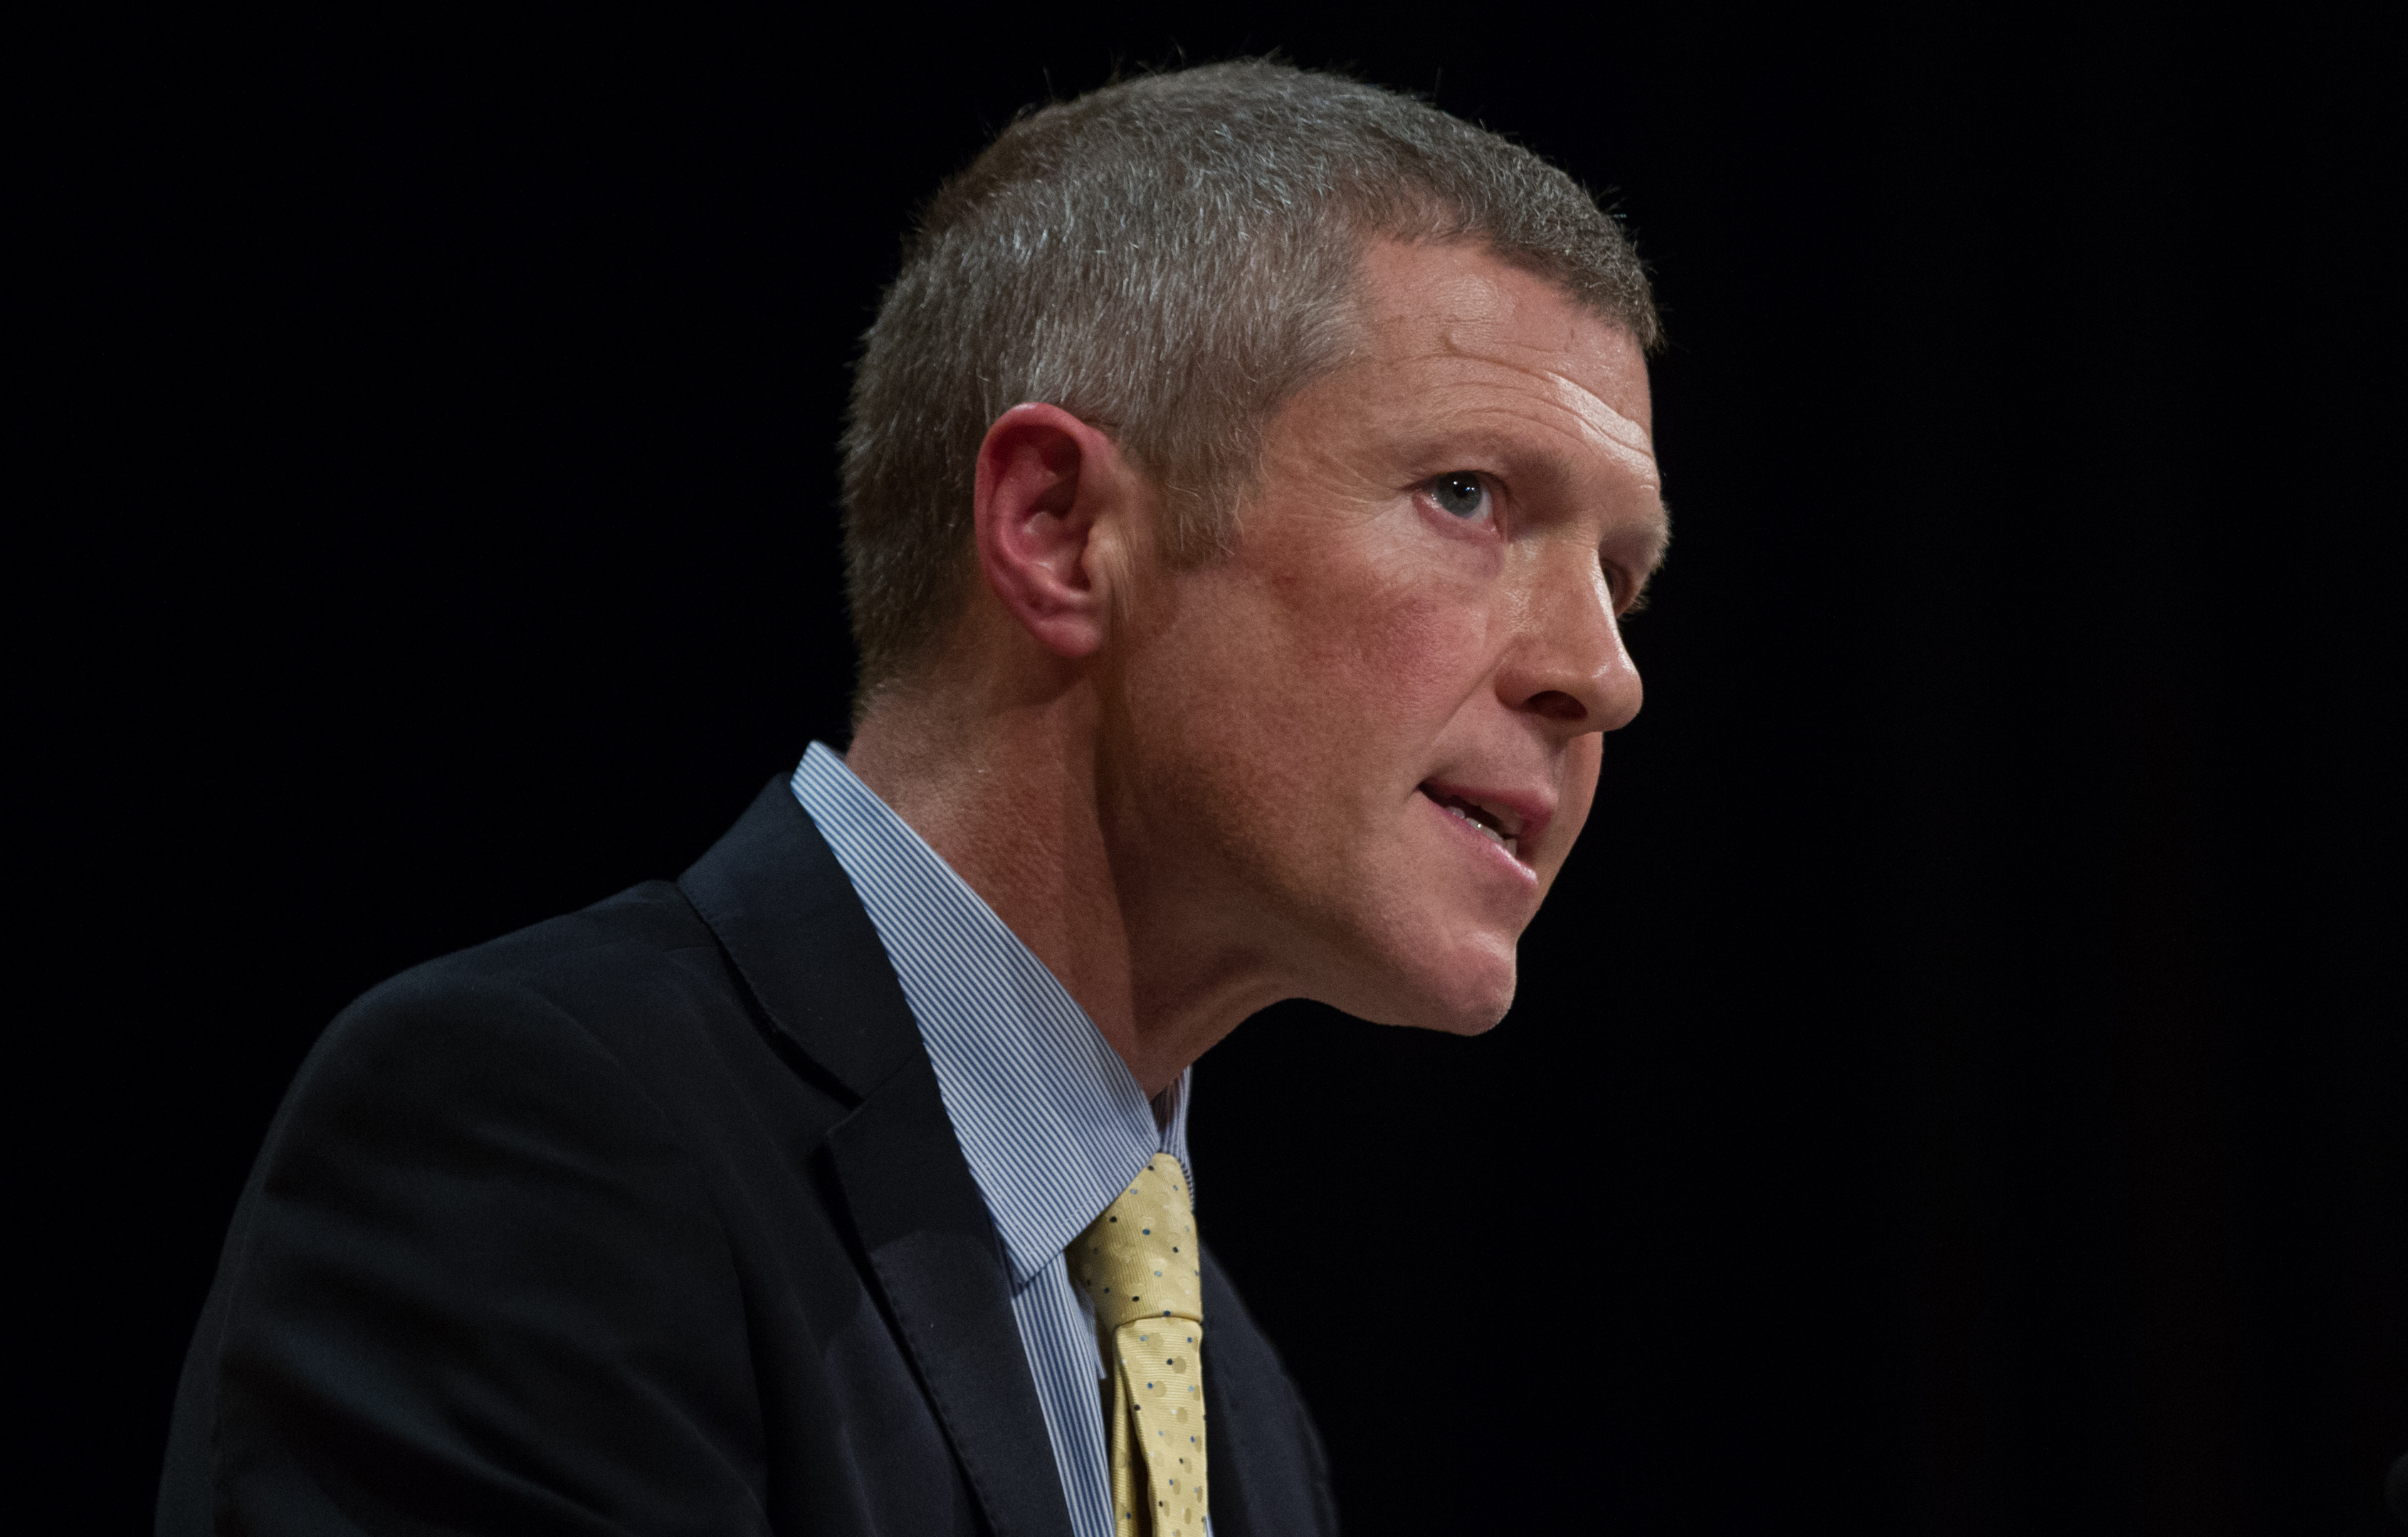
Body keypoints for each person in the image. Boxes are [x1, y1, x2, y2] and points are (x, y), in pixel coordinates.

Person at [158, 59, 1668, 1537]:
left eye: (1622, 576)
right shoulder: (545, 1141)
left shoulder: (1238, 1405)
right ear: (1060, 530)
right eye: (1468, 496)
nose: (1604, 676)